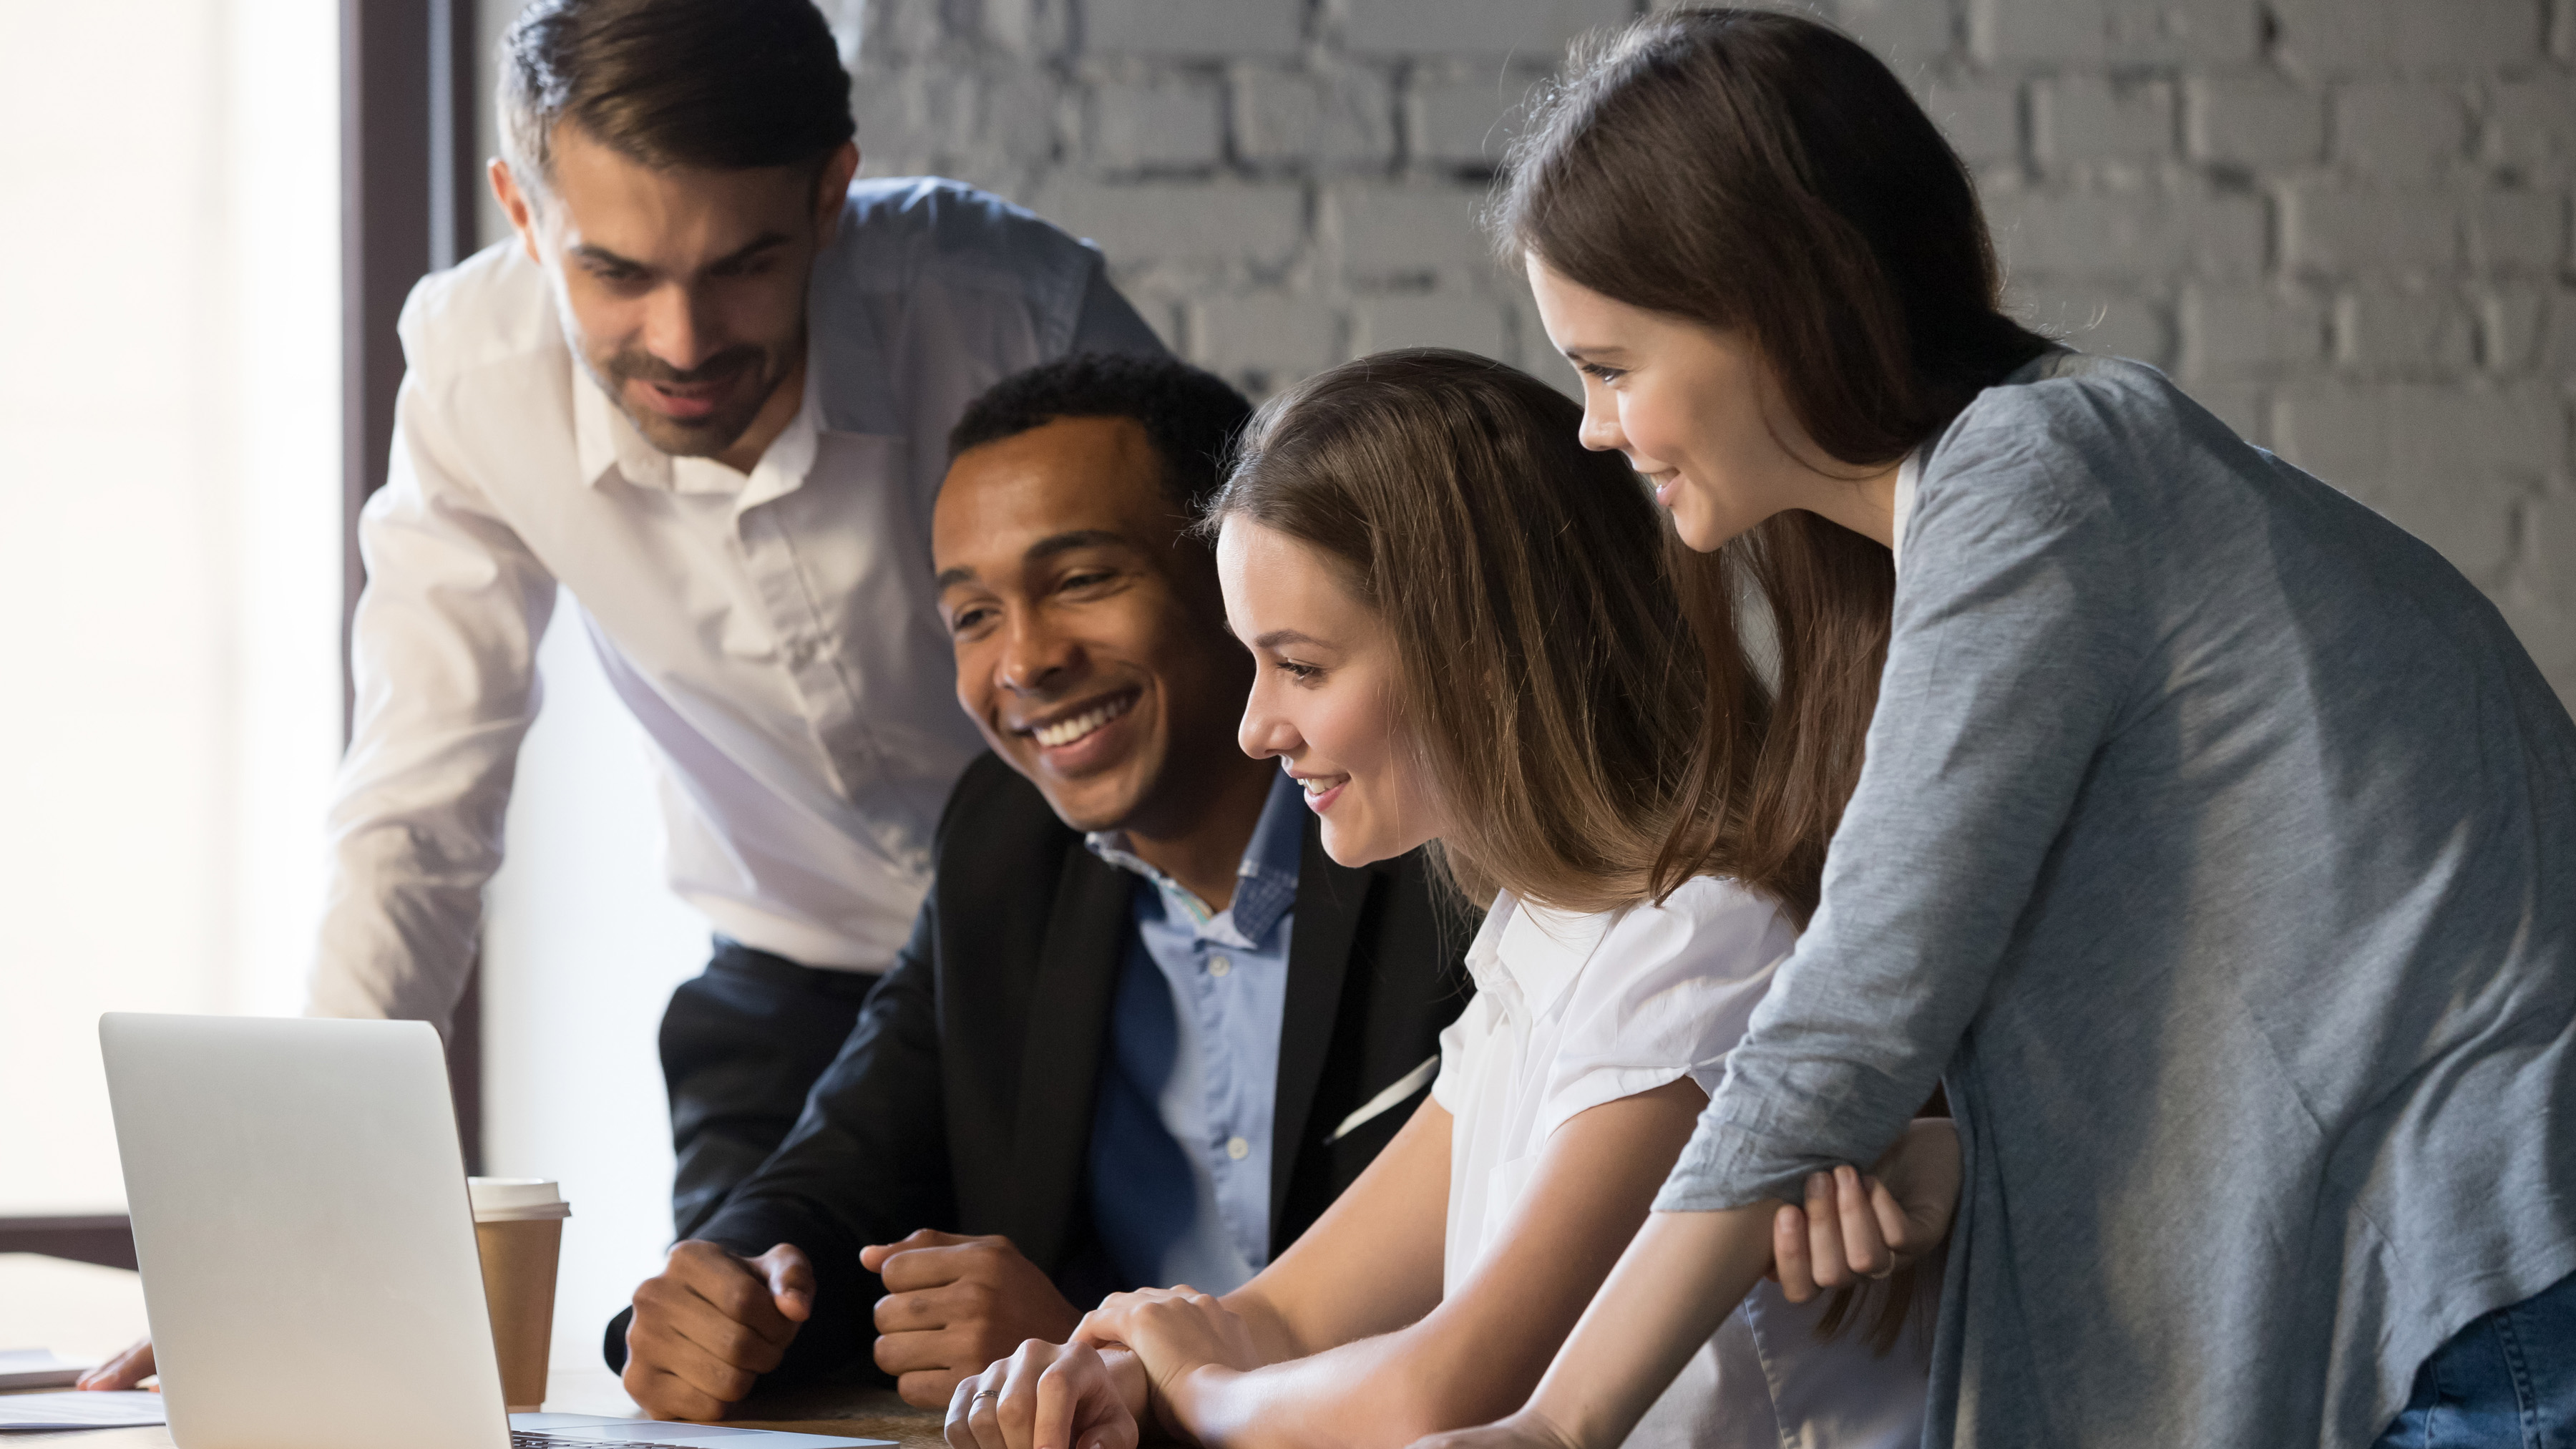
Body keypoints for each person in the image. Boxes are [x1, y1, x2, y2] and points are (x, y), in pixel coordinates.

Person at [1409, 12, 2576, 1449]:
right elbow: (2247, 977)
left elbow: (1847, 1018)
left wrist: (1557, 1426)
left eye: (1610, 365)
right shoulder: (2037, 488)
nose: (1595, 427)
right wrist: (1959, 1167)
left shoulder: (2036, 477)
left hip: (2500, 1292)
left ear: (1772, 311)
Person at [73, 0, 1170, 1399]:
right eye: (617, 270)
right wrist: (285, 1247)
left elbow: (1240, 641)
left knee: (1103, 1379)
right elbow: (416, 813)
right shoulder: (477, 382)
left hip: (1102, 950)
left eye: (745, 264)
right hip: (791, 984)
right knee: (718, 1375)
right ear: (522, 212)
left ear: (833, 192)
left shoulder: (1015, 307)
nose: (685, 336)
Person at [945, 351, 1962, 1449]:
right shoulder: (1547, 930)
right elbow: (1285, 1312)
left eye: (1301, 666)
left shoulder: (1700, 944)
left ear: (1477, 658)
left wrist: (1190, 1382)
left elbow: (1445, 1394)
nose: (1256, 727)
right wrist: (1117, 1369)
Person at [610, 353, 1478, 1420]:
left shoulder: (1444, 838)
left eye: (1079, 581)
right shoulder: (1006, 841)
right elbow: (844, 1165)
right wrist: (731, 1285)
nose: (1023, 661)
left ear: (1242, 577)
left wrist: (1084, 1336)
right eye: (973, 615)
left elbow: (1489, 1303)